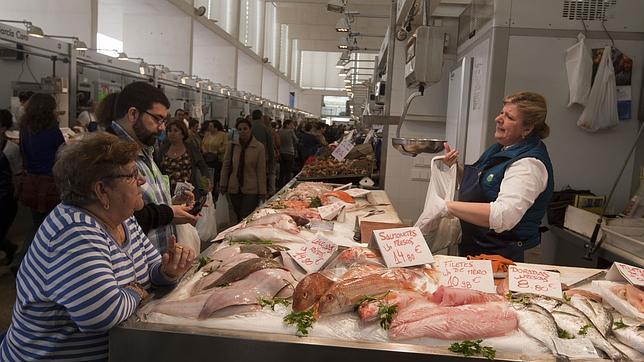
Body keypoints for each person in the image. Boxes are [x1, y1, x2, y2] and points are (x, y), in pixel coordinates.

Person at [0, 133, 195, 360]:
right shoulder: (74, 232)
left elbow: (151, 267)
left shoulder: (123, 218)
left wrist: (166, 271)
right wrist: (135, 292)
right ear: (102, 190)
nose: (142, 180)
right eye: (132, 175)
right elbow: (101, 314)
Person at [436, 91, 554, 262]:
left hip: (510, 256)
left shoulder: (528, 164)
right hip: (483, 248)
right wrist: (455, 167)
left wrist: (447, 206)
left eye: (510, 117)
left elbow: (504, 216)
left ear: (527, 128)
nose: (498, 119)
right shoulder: (501, 148)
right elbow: (481, 188)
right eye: (501, 113)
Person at [107, 81, 197, 252]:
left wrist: (172, 204)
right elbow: (121, 218)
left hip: (157, 266)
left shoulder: (145, 148)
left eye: (164, 121)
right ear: (133, 114)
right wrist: (168, 213)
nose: (162, 128)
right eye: (157, 119)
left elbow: (144, 203)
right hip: (134, 267)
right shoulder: (110, 155)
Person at [12, 93, 66, 271]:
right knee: (47, 227)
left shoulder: (24, 129)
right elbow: (62, 157)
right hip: (50, 186)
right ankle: (25, 261)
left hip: (31, 185)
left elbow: (23, 154)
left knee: (37, 225)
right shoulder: (53, 131)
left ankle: (23, 260)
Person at [220, 118, 266, 220]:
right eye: (240, 129)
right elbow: (226, 166)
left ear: (250, 129)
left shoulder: (259, 147)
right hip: (234, 187)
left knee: (245, 215)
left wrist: (262, 191)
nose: (242, 131)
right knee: (237, 214)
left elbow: (261, 170)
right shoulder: (232, 146)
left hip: (251, 189)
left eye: (245, 128)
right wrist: (223, 184)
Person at [156, 119, 210, 198]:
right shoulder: (163, 149)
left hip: (189, 193)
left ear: (183, 133)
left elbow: (202, 167)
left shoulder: (191, 148)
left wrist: (205, 184)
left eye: (175, 130)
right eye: (169, 131)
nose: (172, 133)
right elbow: (158, 170)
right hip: (169, 193)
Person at [202, 120, 228, 200]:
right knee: (206, 175)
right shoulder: (207, 135)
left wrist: (217, 151)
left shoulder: (223, 135)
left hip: (217, 160)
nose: (209, 128)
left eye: (211, 126)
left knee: (215, 177)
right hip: (207, 158)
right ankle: (205, 191)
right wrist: (205, 151)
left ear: (216, 128)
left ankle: (215, 193)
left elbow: (225, 146)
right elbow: (203, 144)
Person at [250, 110, 273, 192]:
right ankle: (261, 191)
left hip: (248, 156)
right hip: (263, 156)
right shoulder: (265, 128)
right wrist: (271, 158)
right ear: (261, 117)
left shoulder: (248, 127)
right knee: (261, 175)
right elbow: (270, 145)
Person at [278, 119, 298, 187]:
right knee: (288, 171)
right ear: (287, 125)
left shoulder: (279, 131)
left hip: (281, 152)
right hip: (289, 152)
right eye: (291, 124)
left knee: (282, 170)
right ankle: (287, 185)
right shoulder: (291, 131)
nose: (292, 126)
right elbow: (296, 140)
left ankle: (280, 184)